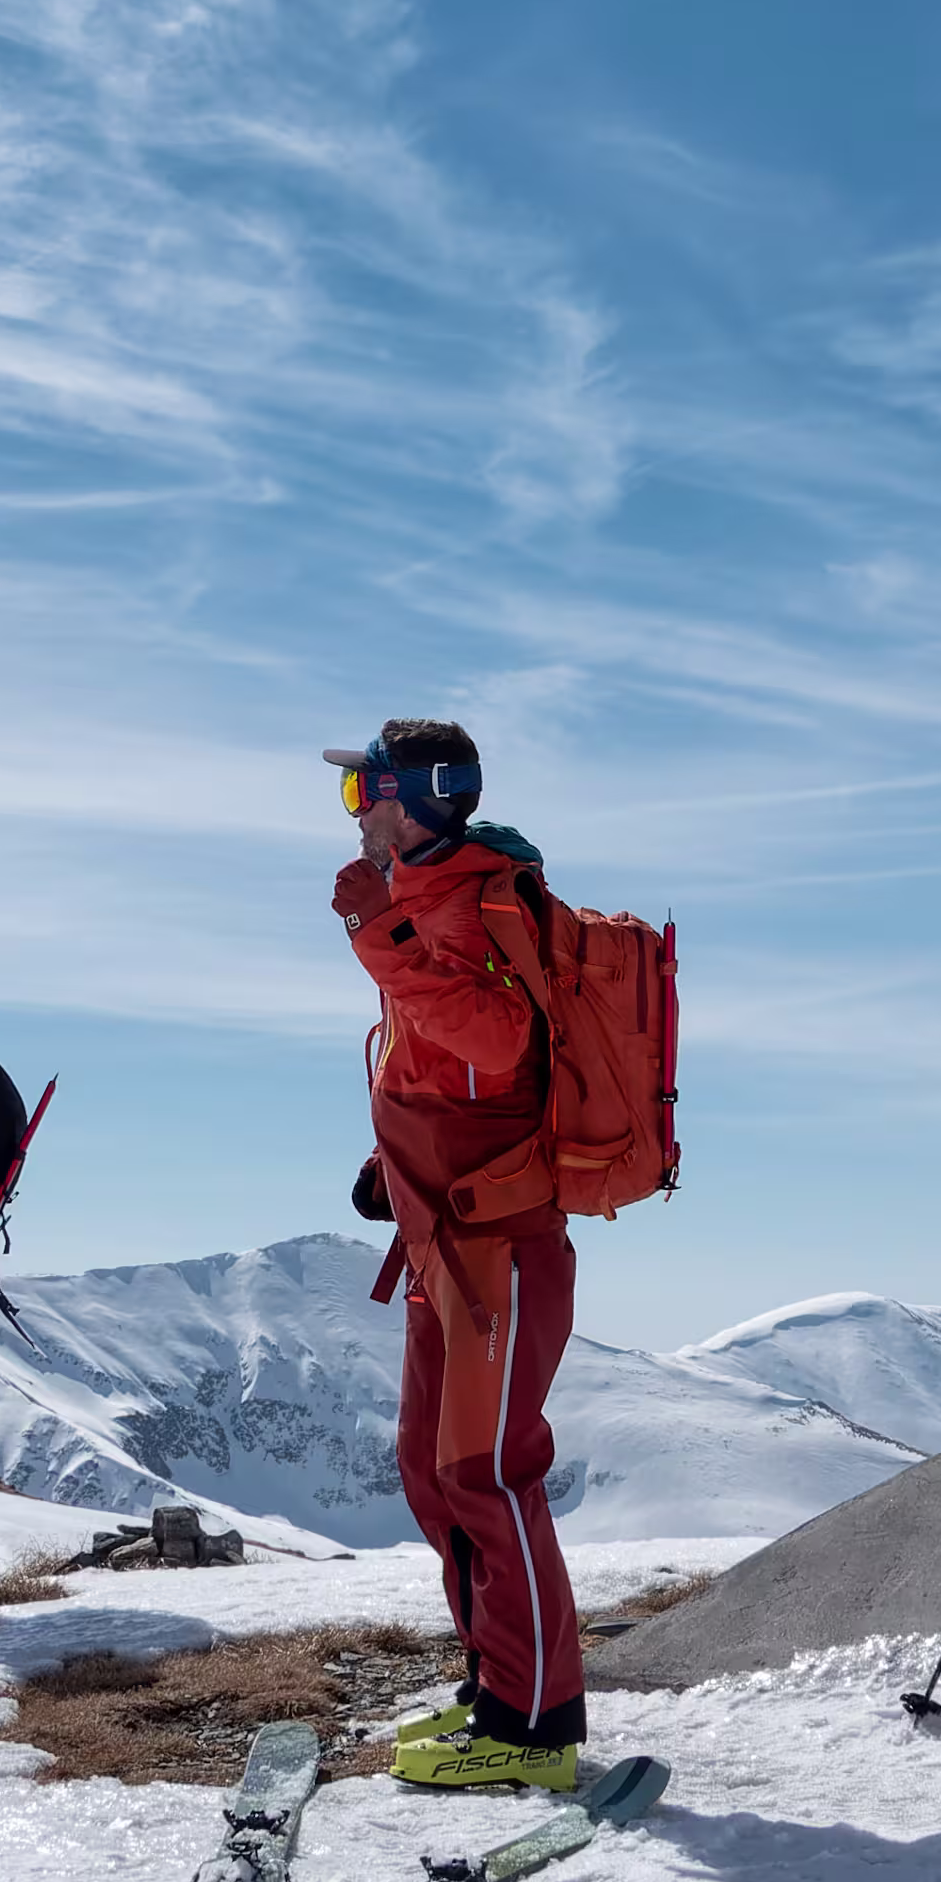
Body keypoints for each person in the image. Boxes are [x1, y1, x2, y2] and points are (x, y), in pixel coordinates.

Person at [327, 718, 590, 1795]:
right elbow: (441, 1065)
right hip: (441, 1235)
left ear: (422, 796)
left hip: (499, 1240)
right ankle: (495, 1685)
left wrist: (379, 931)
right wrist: (387, 1162)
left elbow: (494, 1041)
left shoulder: (482, 898)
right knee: (432, 1470)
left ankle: (534, 1724)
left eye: (365, 795)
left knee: (486, 1472)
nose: (354, 816)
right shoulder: (429, 897)